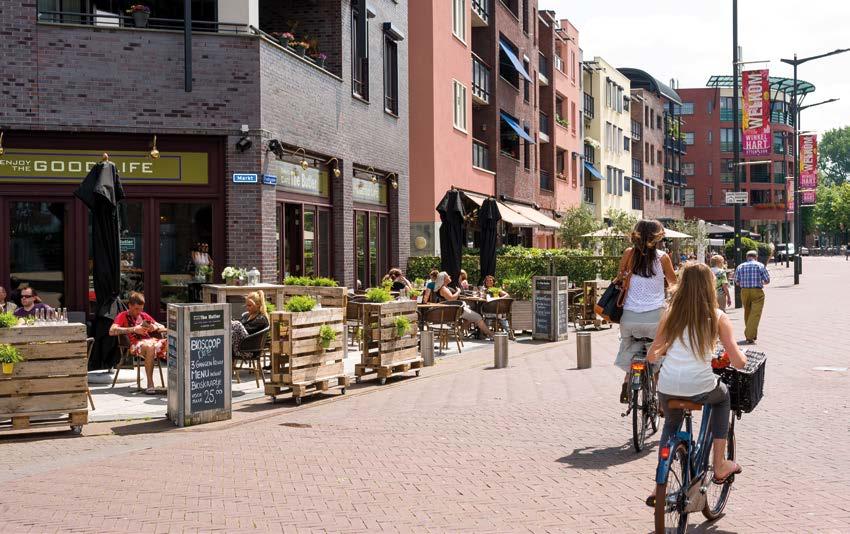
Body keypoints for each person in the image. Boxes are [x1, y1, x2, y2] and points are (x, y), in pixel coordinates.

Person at [645, 262, 747, 506]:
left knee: (671, 424)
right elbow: (738, 361)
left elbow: (652, 355)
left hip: (667, 387)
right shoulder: (717, 316)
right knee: (722, 397)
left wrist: (668, 347)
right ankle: (720, 464)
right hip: (700, 386)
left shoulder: (669, 314)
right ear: (709, 285)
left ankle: (658, 488)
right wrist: (739, 357)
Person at [615, 220, 677, 404]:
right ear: (657, 237)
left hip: (629, 317)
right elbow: (674, 284)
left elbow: (619, 277)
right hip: (654, 317)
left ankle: (628, 379)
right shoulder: (662, 257)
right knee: (657, 356)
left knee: (629, 346)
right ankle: (658, 399)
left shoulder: (628, 254)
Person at [109, 292, 167, 395]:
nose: (139, 312)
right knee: (150, 346)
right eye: (136, 309)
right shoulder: (122, 315)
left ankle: (177, 384)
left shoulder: (143, 315)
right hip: (135, 344)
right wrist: (134, 329)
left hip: (152, 342)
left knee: (173, 344)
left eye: (141, 309)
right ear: (129, 306)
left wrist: (155, 327)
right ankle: (150, 383)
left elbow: (162, 327)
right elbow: (112, 331)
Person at [432, 272, 493, 338]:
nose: (449, 276)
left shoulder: (444, 287)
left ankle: (460, 332)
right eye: (448, 276)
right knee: (478, 317)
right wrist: (458, 291)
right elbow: (452, 299)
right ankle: (491, 335)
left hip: (455, 309)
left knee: (469, 317)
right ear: (444, 279)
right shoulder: (443, 289)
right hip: (455, 310)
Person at [733, 250, 770, 344]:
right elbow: (767, 280)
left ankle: (752, 335)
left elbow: (737, 282)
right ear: (756, 257)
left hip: (744, 291)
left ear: (747, 257)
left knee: (747, 312)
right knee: (755, 313)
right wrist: (761, 282)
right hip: (757, 291)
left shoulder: (740, 266)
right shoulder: (760, 265)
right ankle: (749, 335)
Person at [230, 290, 270, 358]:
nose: (247, 308)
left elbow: (246, 330)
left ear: (258, 305)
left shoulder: (261, 319)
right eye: (247, 305)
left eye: (250, 305)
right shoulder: (247, 316)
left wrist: (236, 324)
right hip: (239, 346)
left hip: (249, 350)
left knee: (236, 325)